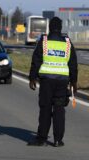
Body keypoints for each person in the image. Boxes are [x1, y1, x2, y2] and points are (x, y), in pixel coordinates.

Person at [28, 17, 78, 147]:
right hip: (62, 82)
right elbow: (73, 64)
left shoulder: (44, 42)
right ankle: (57, 140)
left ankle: (41, 139)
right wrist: (74, 82)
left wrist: (32, 78)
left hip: (46, 82)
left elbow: (36, 60)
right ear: (61, 28)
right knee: (59, 110)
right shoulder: (67, 43)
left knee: (45, 109)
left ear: (50, 27)